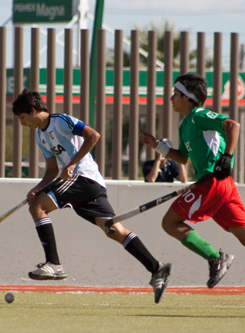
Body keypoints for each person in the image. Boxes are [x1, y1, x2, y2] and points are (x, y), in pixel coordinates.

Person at [140, 73, 245, 310]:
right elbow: (183, 157)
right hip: (221, 186)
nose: (170, 98)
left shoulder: (199, 116)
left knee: (169, 223)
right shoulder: (184, 123)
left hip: (212, 182)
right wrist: (157, 145)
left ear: (188, 98)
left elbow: (233, 125)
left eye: (175, 94)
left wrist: (227, 157)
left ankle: (214, 257)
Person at [12, 89, 171, 304]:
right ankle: (157, 268)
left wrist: (72, 164)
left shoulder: (60, 121)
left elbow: (93, 135)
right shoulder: (41, 136)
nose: (22, 123)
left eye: (22, 118)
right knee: (113, 229)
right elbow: (51, 171)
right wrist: (37, 188)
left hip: (84, 178)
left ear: (32, 111)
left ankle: (54, 264)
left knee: (37, 208)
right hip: (84, 184)